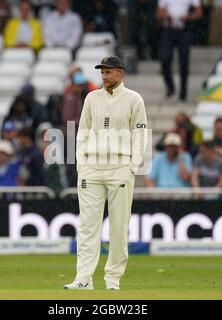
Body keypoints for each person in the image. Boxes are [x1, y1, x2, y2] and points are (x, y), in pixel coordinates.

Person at [64, 56, 147, 290]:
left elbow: (141, 134)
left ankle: (113, 279)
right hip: (92, 168)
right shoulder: (92, 98)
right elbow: (82, 133)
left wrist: (132, 166)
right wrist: (82, 164)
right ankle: (83, 278)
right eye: (102, 72)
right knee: (88, 226)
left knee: (119, 227)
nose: (104, 76)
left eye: (108, 72)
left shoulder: (134, 99)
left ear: (120, 73)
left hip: (120, 168)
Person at [156, 0, 203, 101]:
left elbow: (199, 12)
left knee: (184, 62)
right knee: (165, 58)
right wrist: (165, 15)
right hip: (169, 30)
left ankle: (183, 92)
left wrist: (188, 17)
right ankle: (170, 86)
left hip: (184, 30)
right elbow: (158, 13)